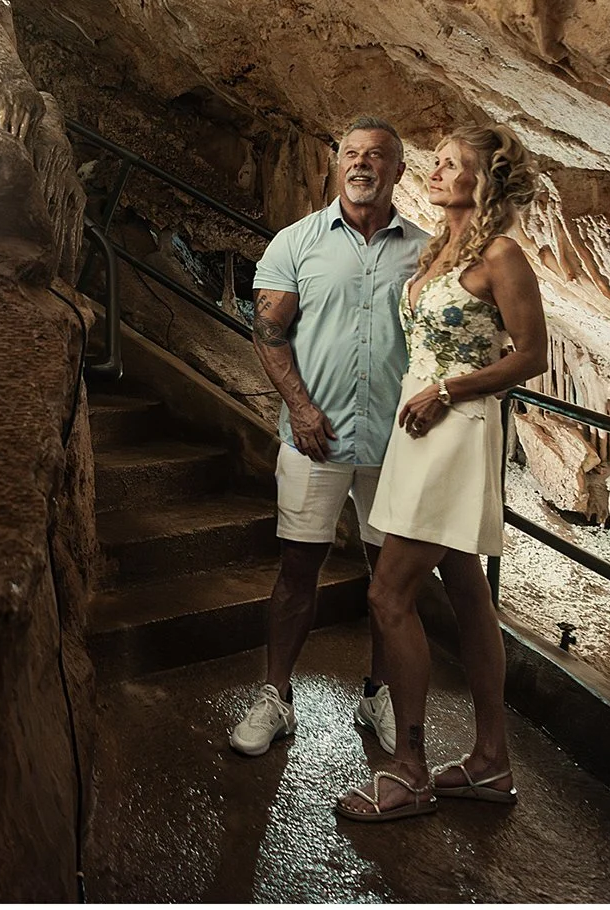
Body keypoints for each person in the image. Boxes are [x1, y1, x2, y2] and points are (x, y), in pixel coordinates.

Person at [335, 124, 547, 823]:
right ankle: (490, 764)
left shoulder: (502, 255)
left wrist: (451, 391)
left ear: (482, 181)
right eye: (438, 161)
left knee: (388, 594)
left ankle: (411, 770)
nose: (435, 170)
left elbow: (531, 356)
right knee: (465, 588)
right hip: (420, 422)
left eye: (452, 165)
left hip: (457, 428)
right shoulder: (441, 249)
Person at [228, 117, 430, 758]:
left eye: (378, 155)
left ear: (399, 171)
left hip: (398, 443)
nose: (363, 164)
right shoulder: (297, 242)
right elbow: (269, 331)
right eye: (352, 154)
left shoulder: (426, 251)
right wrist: (302, 409)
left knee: (390, 580)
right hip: (315, 438)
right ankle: (276, 696)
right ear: (337, 164)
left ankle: (378, 694)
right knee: (296, 569)